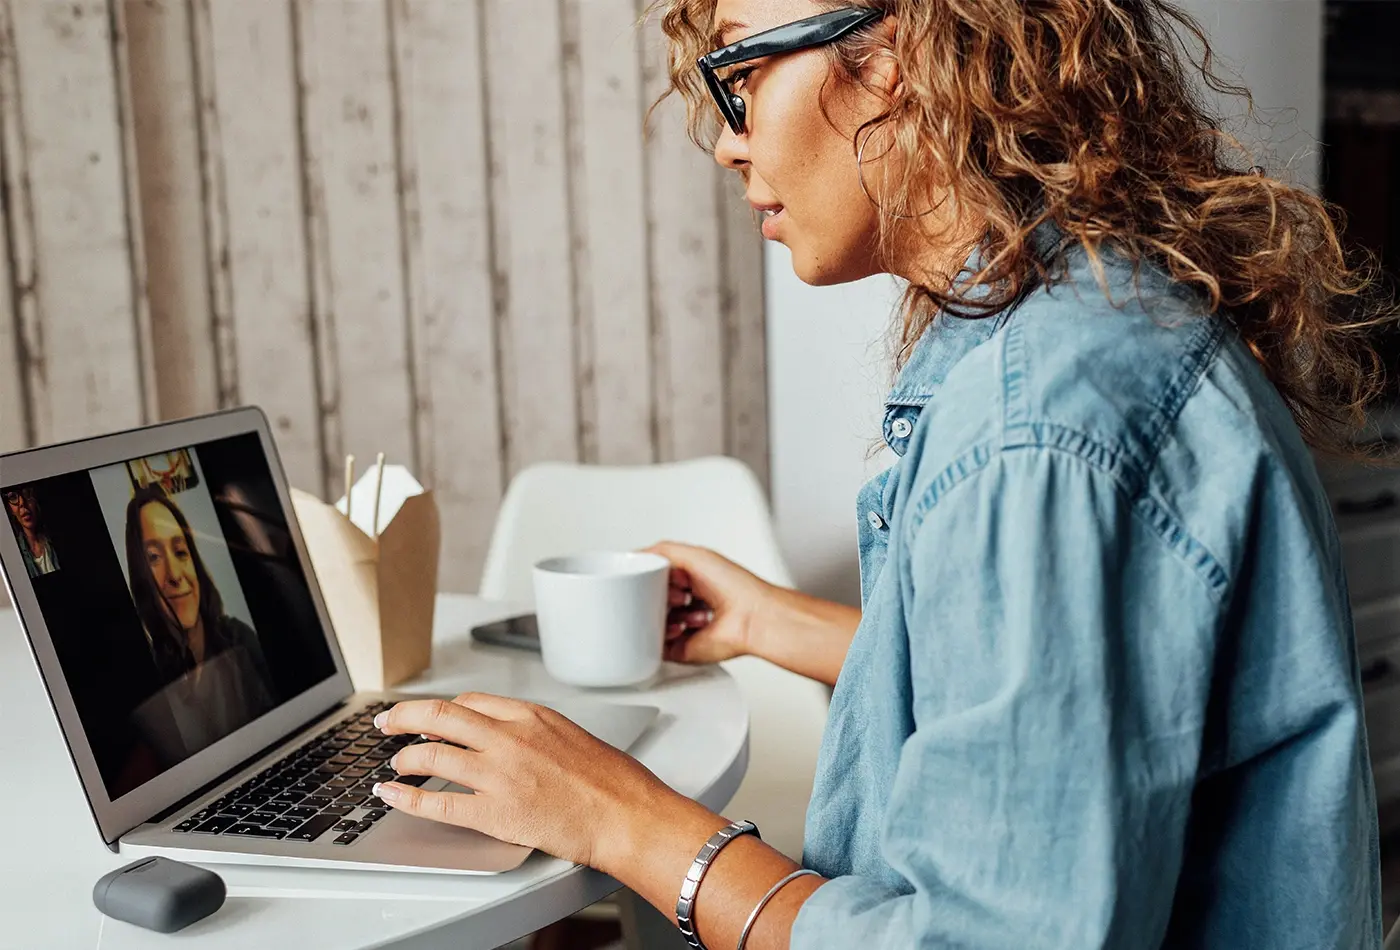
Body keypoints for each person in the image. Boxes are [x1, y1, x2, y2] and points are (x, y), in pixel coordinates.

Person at [366, 2, 1387, 947]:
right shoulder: (1096, 324)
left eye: (738, 70)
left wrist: (621, 819)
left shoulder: (1038, 428)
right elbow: (1065, 706)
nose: (728, 139)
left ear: (894, 55)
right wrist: (771, 621)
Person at [124, 485, 275, 758]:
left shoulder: (240, 640)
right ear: (140, 576)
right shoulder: (149, 680)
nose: (175, 575)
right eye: (154, 558)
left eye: (181, 552)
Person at [4, 486, 60, 577]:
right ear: (10, 510)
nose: (22, 503)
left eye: (27, 494)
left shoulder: (57, 539)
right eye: (13, 497)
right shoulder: (13, 555)